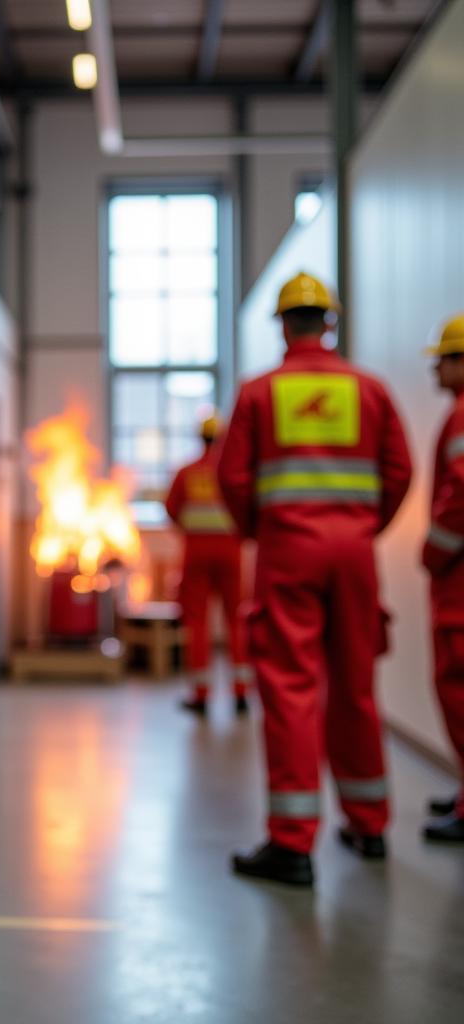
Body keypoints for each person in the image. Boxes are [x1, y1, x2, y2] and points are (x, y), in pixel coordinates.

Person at [217, 271, 412, 887]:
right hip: (354, 554)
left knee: (291, 688)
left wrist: (262, 530)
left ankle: (293, 843)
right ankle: (370, 824)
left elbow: (233, 478)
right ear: (330, 321)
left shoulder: (259, 393)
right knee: (355, 685)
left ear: (284, 325)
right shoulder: (370, 389)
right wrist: (361, 527)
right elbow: (399, 470)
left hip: (288, 553)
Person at [164, 413, 250, 716]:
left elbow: (171, 509)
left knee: (197, 622)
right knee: (237, 620)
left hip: (196, 553)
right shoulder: (235, 470)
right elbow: (247, 507)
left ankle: (201, 695)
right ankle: (241, 694)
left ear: (200, 437)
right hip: (231, 553)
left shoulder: (187, 472)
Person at [419, 314, 464, 842]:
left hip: (458, 588)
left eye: (443, 359)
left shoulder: (460, 417)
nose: (434, 370)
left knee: (456, 691)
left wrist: (433, 551)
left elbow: (461, 499)